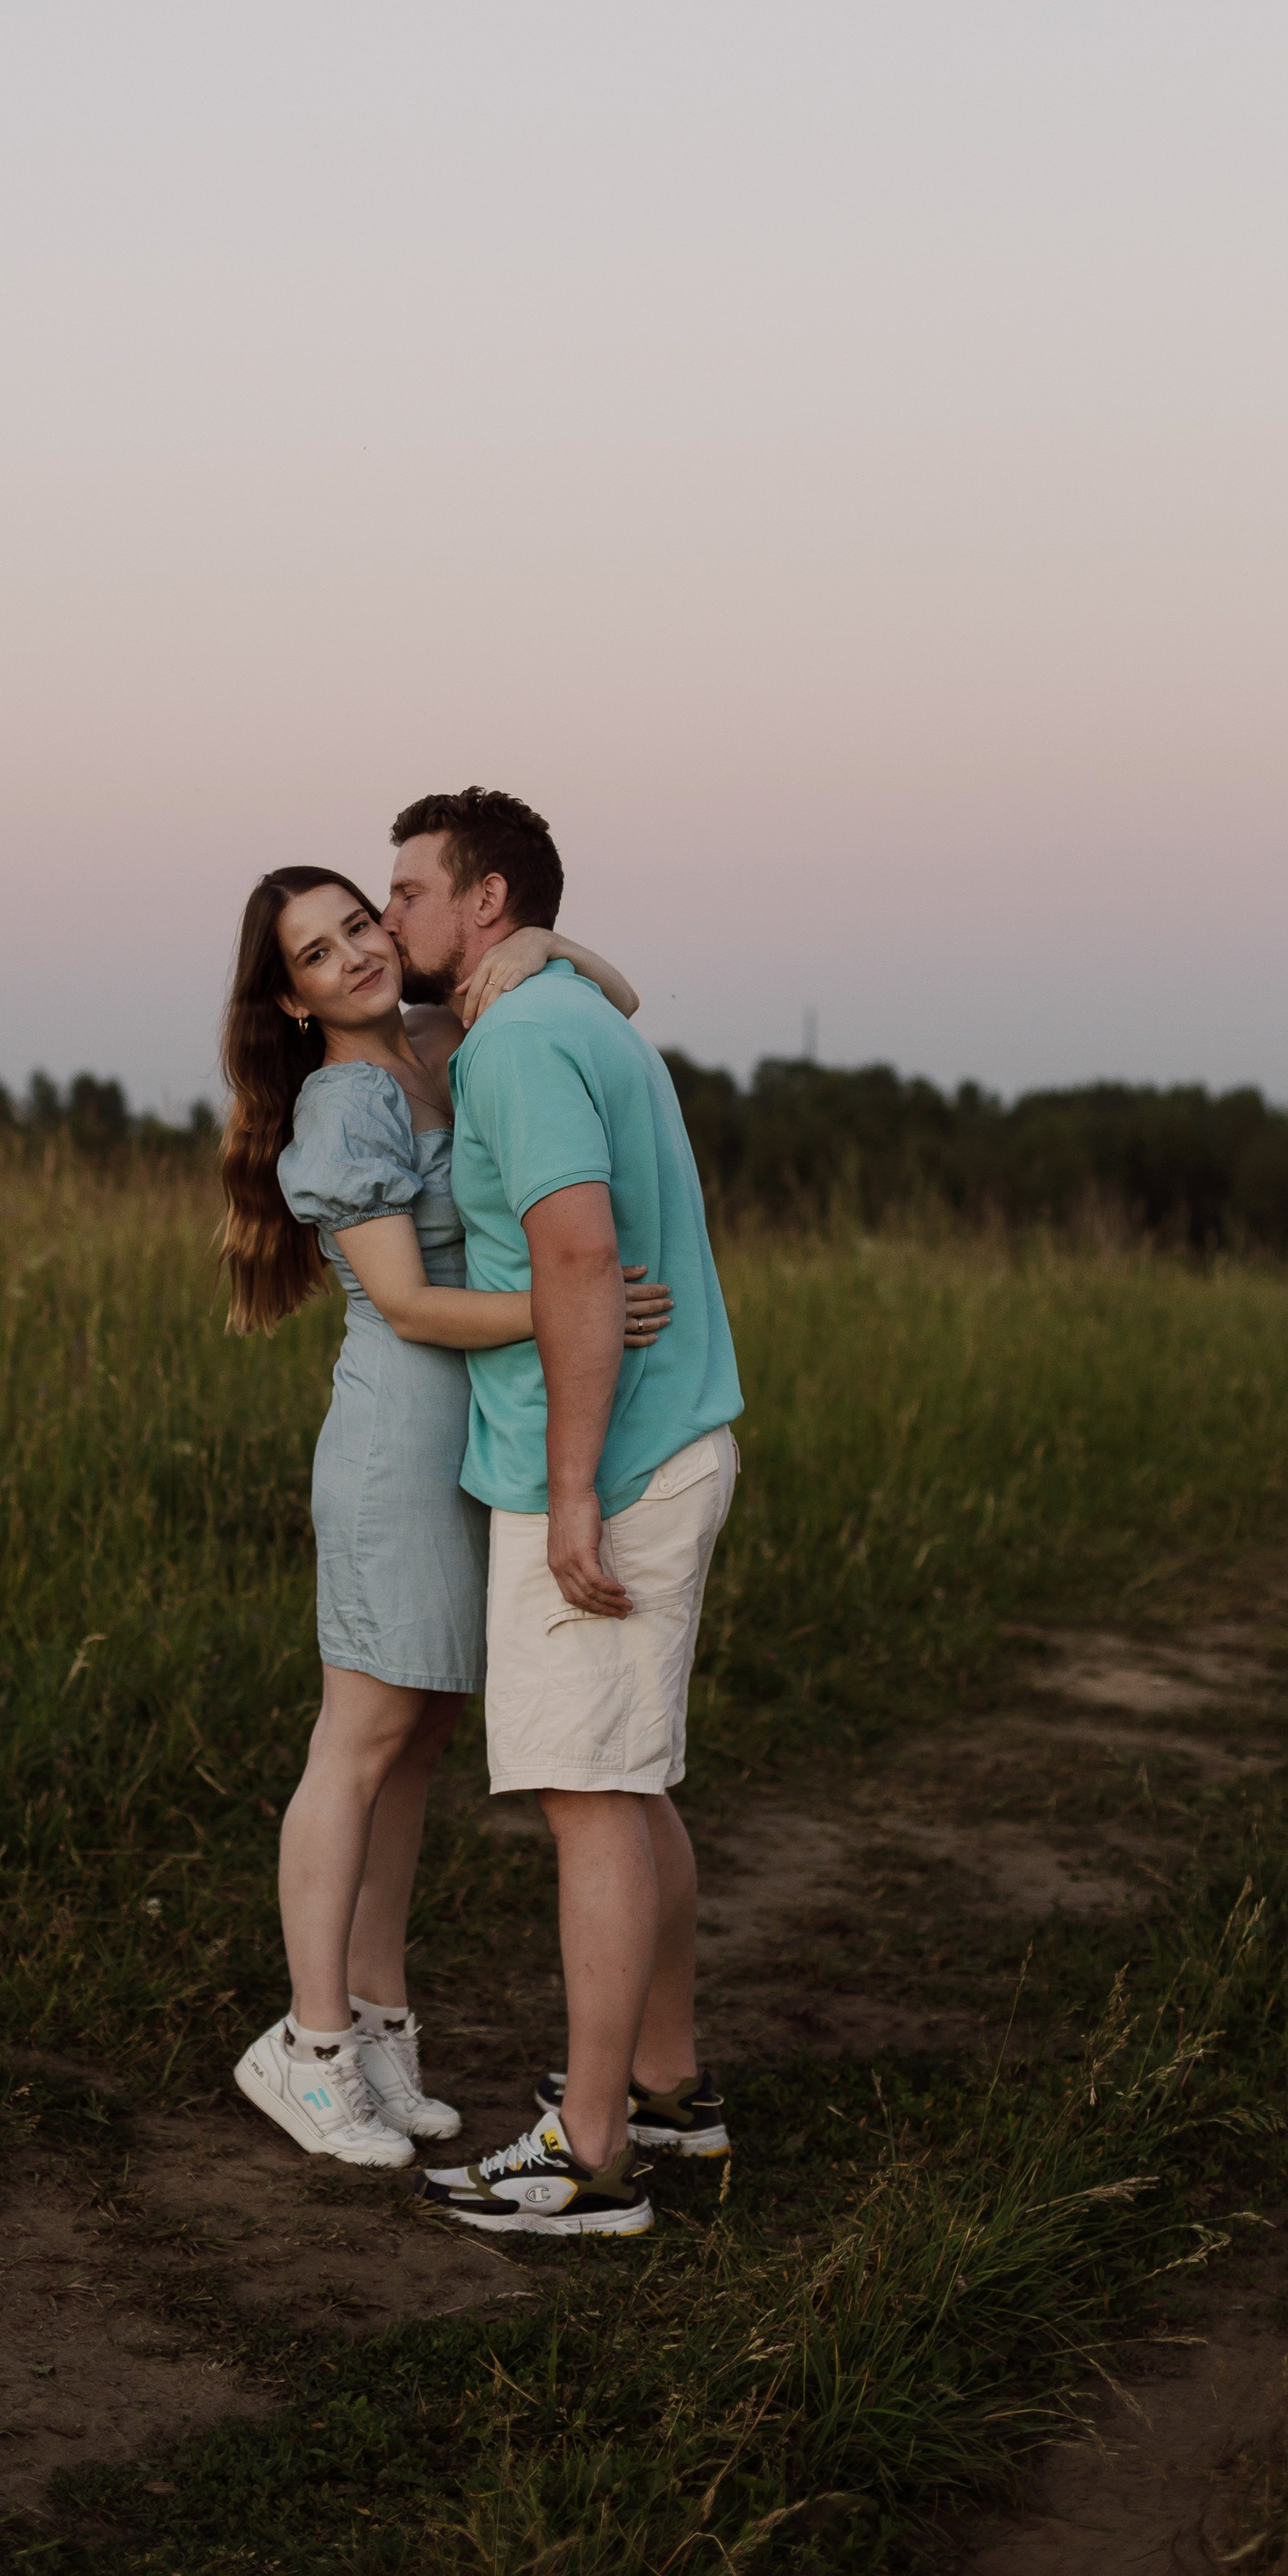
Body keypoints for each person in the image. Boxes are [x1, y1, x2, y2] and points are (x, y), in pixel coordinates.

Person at [218, 866, 672, 2171]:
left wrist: (533, 940)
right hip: (389, 1444)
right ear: (294, 999)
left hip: (460, 1438)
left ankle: (379, 2027)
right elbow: (412, 1308)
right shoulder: (343, 1102)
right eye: (317, 954)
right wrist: (567, 1311)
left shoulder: (438, 1036)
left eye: (360, 924)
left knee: (418, 1736)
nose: (356, 955)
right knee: (357, 1738)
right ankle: (306, 2054)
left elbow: (621, 996)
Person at [382, 788, 743, 2243]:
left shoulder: (524, 1041)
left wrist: (576, 1491)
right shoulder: (561, 1014)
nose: (388, 910)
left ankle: (590, 2155)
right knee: (631, 1778)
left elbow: (578, 1257)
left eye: (408, 887)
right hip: (666, 1439)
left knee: (590, 1795)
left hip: (608, 1465)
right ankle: (662, 2087)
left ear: (483, 904)